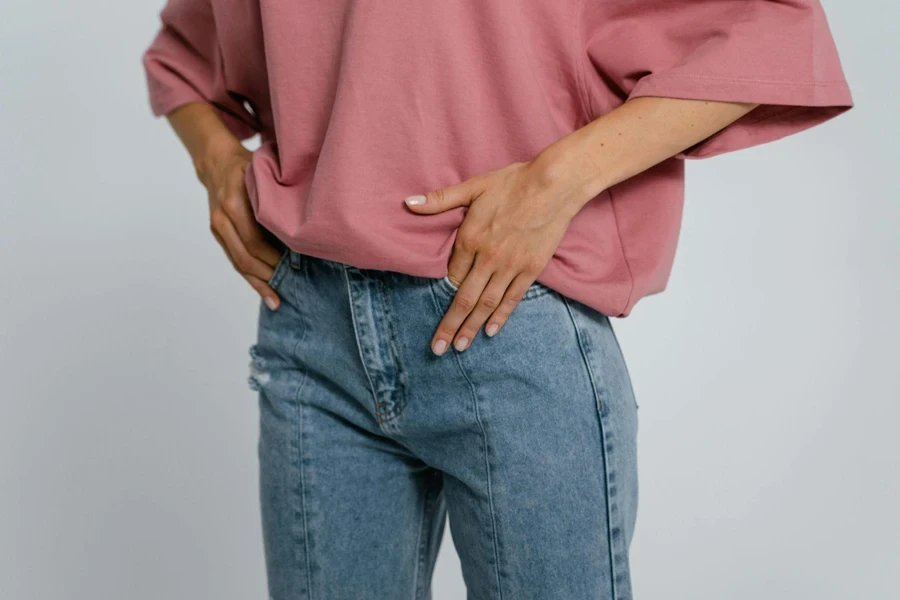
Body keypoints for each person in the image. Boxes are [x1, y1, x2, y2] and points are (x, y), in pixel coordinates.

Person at [141, 1, 853, 598]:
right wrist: (216, 160)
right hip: (310, 326)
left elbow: (769, 27)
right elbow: (187, 54)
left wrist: (555, 182)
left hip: (510, 319)